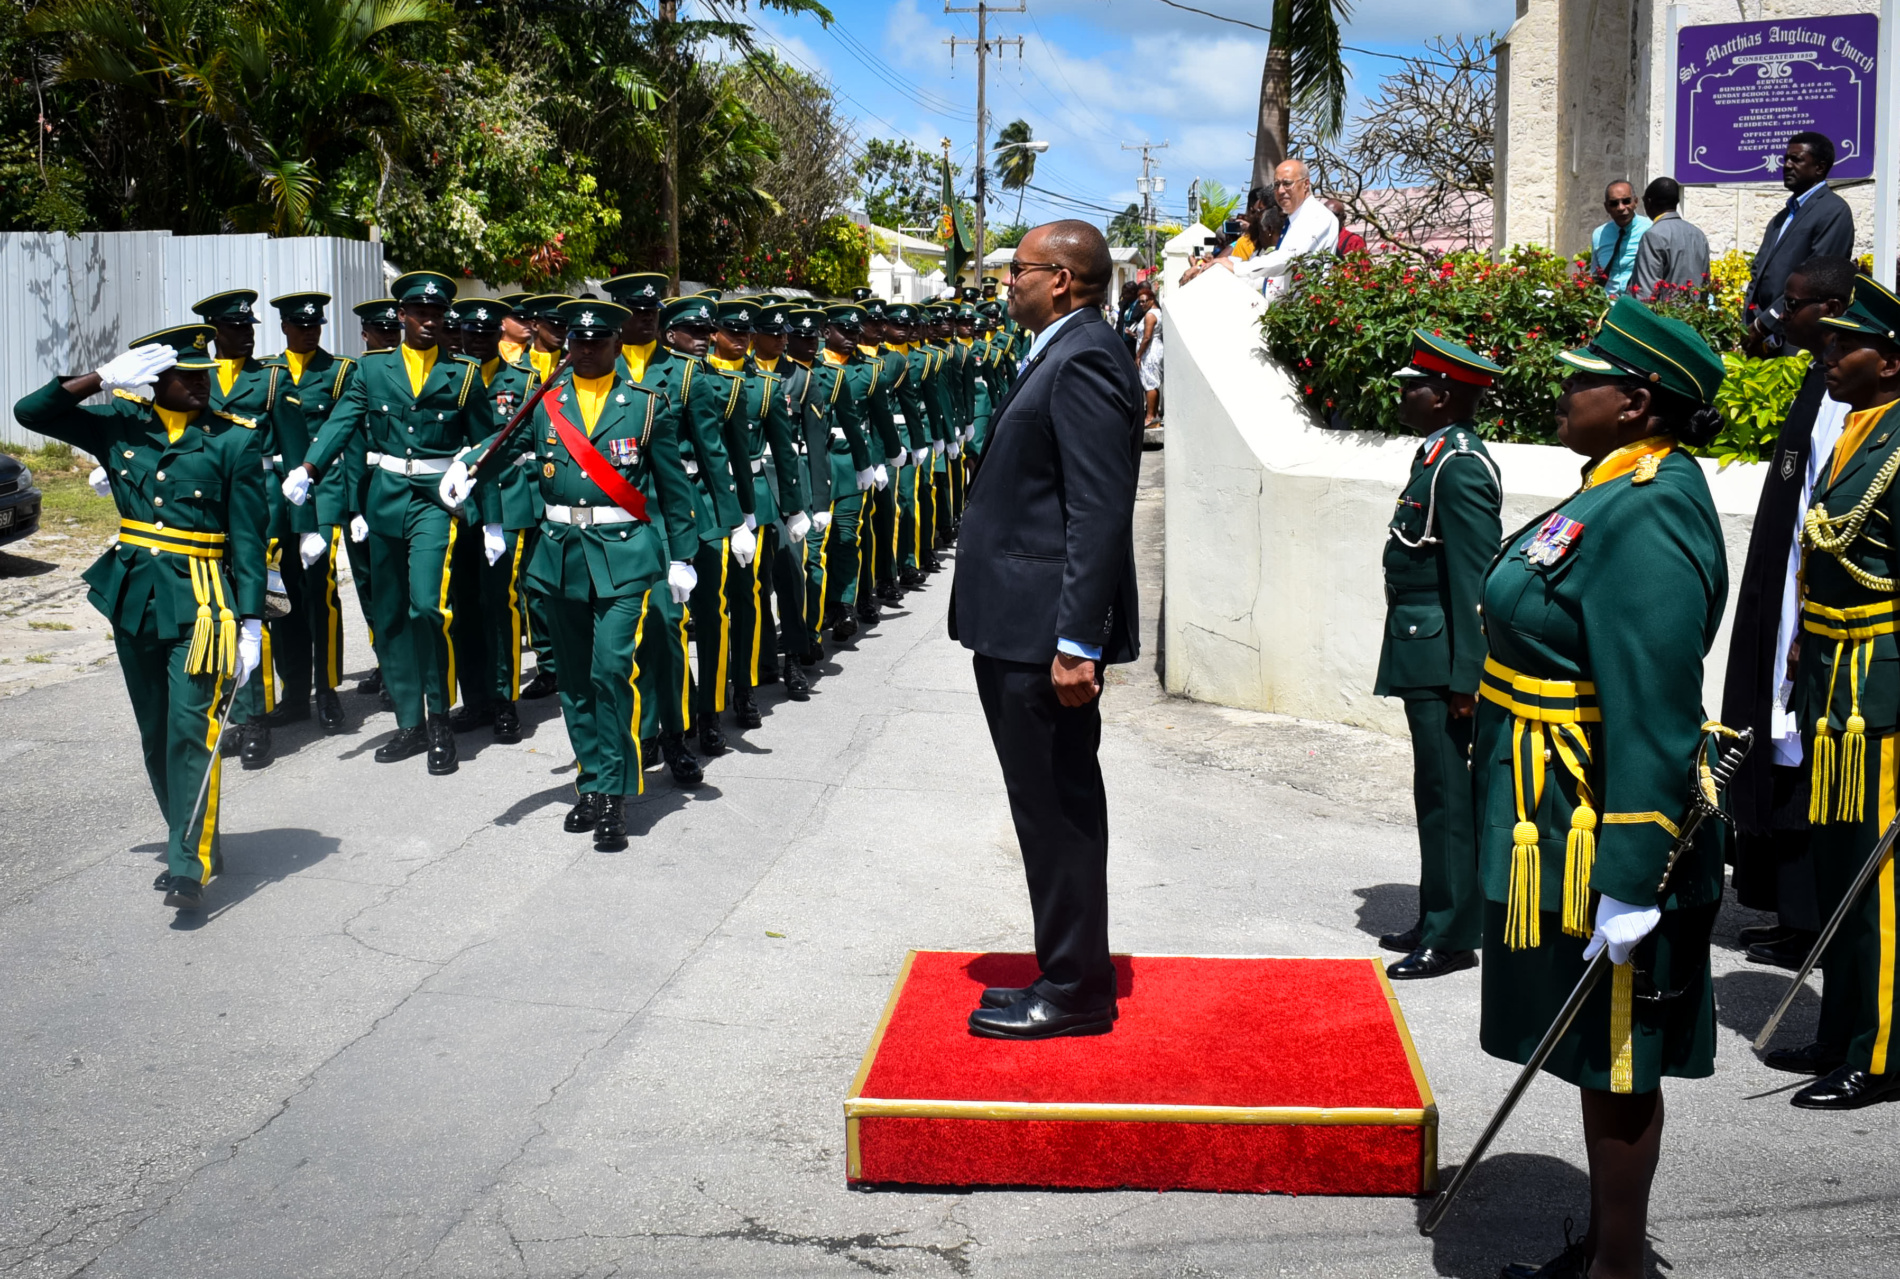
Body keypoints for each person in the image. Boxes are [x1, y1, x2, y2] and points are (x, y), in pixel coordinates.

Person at [1479, 297, 1729, 1279]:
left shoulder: (1650, 505)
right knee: (1595, 1046)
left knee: (1619, 1051)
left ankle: (1618, 1268)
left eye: (1584, 375)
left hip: (1599, 823)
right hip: (1557, 809)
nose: (1563, 385)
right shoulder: (1616, 483)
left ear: (1633, 401)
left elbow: (1655, 707)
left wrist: (1631, 873)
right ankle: (1603, 1248)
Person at [949, 219, 1143, 1039]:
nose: (1008, 282)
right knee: (1044, 805)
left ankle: (1074, 988)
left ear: (1062, 279)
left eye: (1018, 270)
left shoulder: (1088, 356)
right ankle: (1065, 965)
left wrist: (1077, 642)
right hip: (1017, 627)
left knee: (1057, 808)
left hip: (1043, 639)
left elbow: (1097, 513)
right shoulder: (1066, 349)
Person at [14, 325, 267, 912]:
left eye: (205, 373)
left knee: (191, 728)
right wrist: (100, 378)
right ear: (154, 382)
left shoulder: (233, 441)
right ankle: (196, 837)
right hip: (134, 596)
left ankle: (187, 864)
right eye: (187, 375)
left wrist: (251, 621)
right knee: (156, 733)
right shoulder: (121, 428)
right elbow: (31, 413)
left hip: (203, 601)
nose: (202, 383)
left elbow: (250, 541)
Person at [445, 299, 699, 851]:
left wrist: (681, 557)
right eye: (577, 342)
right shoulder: (545, 403)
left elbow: (673, 489)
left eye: (597, 341)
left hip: (626, 556)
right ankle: (589, 783)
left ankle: (614, 793)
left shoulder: (646, 407)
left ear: (614, 344)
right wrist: (466, 465)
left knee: (612, 670)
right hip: (560, 554)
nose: (585, 349)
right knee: (577, 683)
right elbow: (503, 441)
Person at [282, 270, 492, 776]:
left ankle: (439, 717)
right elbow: (342, 421)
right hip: (386, 499)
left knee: (428, 607)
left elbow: (489, 443)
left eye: (437, 313)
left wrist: (481, 501)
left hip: (436, 503)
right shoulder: (372, 370)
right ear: (402, 316)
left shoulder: (462, 373)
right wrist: (308, 468)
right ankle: (409, 721)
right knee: (392, 614)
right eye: (419, 312)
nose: (428, 321)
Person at [1717, 255, 1856, 979]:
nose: (1781, 312)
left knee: (1800, 753)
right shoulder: (1817, 375)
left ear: (1831, 307)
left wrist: (1805, 621)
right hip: (1779, 592)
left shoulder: (1849, 387)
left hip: (1809, 606)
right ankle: (1788, 910)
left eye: (1795, 303)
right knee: (1772, 743)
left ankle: (1812, 920)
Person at [1780, 276, 1900, 1109]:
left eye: (1845, 344)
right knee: (1834, 862)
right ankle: (1840, 1026)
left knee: (1875, 877)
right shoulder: (1859, 429)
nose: (1829, 351)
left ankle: (1881, 1049)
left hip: (1878, 685)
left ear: (1889, 360)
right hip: (1830, 674)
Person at [1376, 332, 1503, 981]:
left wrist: (1468, 678)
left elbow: (1475, 581)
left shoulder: (1459, 465)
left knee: (1449, 795)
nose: (1404, 392)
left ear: (1444, 394)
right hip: (1423, 650)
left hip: (1445, 658)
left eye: (1414, 384)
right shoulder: (1435, 457)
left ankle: (1454, 933)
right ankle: (1436, 915)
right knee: (1434, 790)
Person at [193, 290, 306, 770]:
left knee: (253, 608)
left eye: (249, 328)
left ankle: (256, 720)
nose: (244, 335)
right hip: (204, 506)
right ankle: (229, 711)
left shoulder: (273, 380)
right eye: (235, 328)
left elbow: (299, 462)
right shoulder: (194, 378)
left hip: (258, 504)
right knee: (214, 609)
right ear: (213, 333)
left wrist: (308, 524)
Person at [446, 298, 537, 745]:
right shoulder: (450, 378)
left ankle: (505, 701)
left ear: (498, 336)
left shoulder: (522, 379)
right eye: (470, 333)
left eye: (486, 333)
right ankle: (476, 697)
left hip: (507, 498)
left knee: (499, 603)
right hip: (456, 504)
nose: (478, 339)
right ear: (460, 334)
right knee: (462, 604)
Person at [271, 291, 354, 735]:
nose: (308, 331)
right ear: (284, 327)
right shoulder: (267, 372)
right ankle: (293, 692)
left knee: (320, 595)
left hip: (322, 494)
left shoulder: (339, 372)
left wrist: (349, 508)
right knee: (277, 595)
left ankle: (327, 691)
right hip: (275, 498)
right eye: (300, 325)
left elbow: (349, 438)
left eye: (315, 325)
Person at [1746, 132, 1856, 344]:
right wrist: (1750, 319)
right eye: (1786, 158)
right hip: (1764, 337)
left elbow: (1817, 282)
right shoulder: (1781, 217)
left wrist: (1764, 324)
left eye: (1796, 159)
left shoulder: (1833, 211)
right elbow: (1758, 273)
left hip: (1798, 338)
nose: (1786, 165)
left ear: (1820, 167)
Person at [345, 299, 399, 704]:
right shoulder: (357, 374)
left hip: (395, 487)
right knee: (367, 584)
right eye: (379, 331)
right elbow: (347, 443)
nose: (388, 336)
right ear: (365, 334)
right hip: (363, 488)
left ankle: (399, 665)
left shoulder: (405, 373)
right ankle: (385, 659)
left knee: (396, 584)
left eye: (392, 329)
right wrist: (352, 506)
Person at [1628, 177, 1709, 304]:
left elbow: (1646, 293)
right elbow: (1705, 285)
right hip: (1695, 318)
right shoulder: (1698, 234)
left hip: (1665, 319)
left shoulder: (1653, 235)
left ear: (1648, 202)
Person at [1588, 181, 1651, 298]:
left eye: (1626, 201)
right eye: (1614, 203)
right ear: (1606, 207)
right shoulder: (1599, 234)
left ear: (1635, 202)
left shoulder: (1650, 230)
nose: (1621, 208)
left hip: (1640, 306)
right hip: (1608, 306)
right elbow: (1595, 273)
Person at [1134, 284, 1162, 428]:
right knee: (1151, 382)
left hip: (1149, 352)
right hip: (1153, 349)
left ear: (1152, 299)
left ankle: (1150, 416)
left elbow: (1147, 337)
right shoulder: (1156, 313)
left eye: (1144, 301)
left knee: (1150, 383)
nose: (1142, 304)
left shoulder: (1150, 315)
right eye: (1140, 301)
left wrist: (1138, 356)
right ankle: (1154, 416)